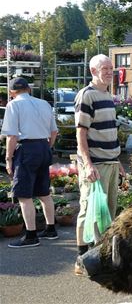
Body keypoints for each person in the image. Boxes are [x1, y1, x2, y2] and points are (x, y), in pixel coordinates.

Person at [74, 54, 126, 274]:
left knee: (108, 212)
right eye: (104, 68)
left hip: (110, 162)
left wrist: (118, 161)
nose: (109, 72)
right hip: (95, 163)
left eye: (111, 68)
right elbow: (80, 133)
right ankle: (81, 259)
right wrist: (88, 164)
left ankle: (101, 256)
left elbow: (110, 132)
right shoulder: (86, 96)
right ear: (93, 71)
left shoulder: (107, 95)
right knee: (89, 211)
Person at [1, 77, 59, 248]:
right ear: (29, 89)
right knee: (44, 192)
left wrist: (8, 158)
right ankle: (50, 229)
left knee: (24, 195)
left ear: (11, 93)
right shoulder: (44, 104)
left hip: (27, 149)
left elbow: (11, 136)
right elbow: (54, 132)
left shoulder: (14, 105)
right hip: (43, 147)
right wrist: (46, 147)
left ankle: (31, 236)